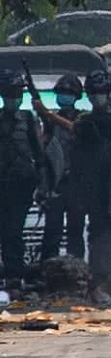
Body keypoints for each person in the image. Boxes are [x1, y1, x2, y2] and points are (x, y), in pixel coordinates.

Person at [37, 69, 111, 299]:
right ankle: (58, 278)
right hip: (66, 184)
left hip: (96, 184)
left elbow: (77, 129)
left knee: (93, 234)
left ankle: (92, 278)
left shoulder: (95, 120)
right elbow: (45, 154)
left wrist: (48, 115)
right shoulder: (56, 122)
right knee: (59, 232)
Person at [0, 70, 49, 287]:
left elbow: (40, 155)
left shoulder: (28, 120)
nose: (15, 97)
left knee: (13, 230)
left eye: (18, 92)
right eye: (11, 92)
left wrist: (43, 185)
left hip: (20, 186)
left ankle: (14, 275)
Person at [39, 74, 86, 262]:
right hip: (55, 183)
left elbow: (76, 129)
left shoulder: (83, 119)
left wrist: (49, 115)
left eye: (69, 93)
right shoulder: (49, 121)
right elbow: (44, 149)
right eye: (62, 93)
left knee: (75, 230)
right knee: (52, 230)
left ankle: (77, 271)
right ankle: (47, 271)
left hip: (76, 183)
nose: (65, 96)